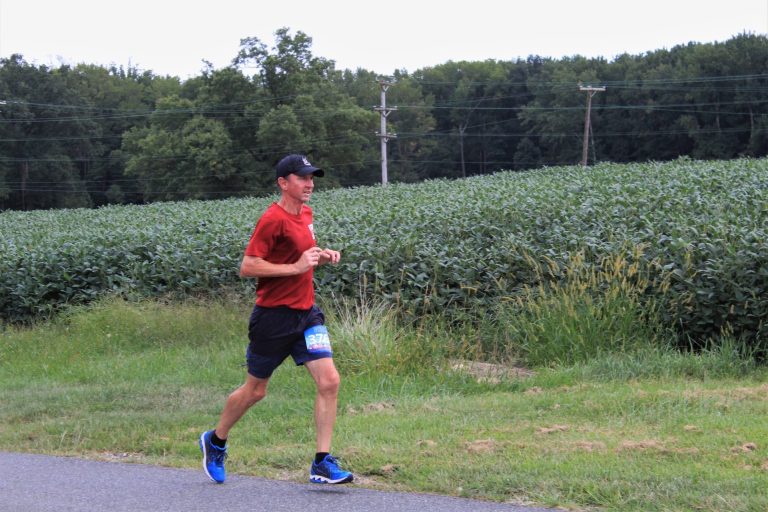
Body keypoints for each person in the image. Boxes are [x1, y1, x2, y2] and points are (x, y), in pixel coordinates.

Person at [199, 153, 353, 485]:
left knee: (330, 381)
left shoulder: (307, 213)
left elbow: (300, 256)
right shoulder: (272, 219)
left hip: (307, 315)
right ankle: (216, 440)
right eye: (302, 178)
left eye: (312, 177)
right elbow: (248, 266)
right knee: (255, 391)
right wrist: (296, 267)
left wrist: (321, 256)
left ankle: (322, 463)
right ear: (283, 183)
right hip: (273, 318)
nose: (310, 184)